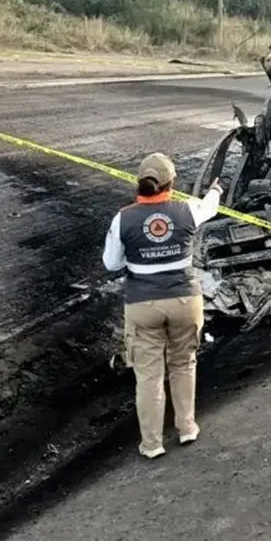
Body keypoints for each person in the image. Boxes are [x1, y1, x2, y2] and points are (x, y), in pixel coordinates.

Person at [102, 153, 223, 459]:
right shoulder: (187, 210)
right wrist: (216, 190)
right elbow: (210, 206)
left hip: (143, 305)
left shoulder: (123, 218)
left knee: (149, 376)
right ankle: (187, 428)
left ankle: (152, 444)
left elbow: (111, 263)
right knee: (183, 364)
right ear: (172, 183)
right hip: (184, 300)